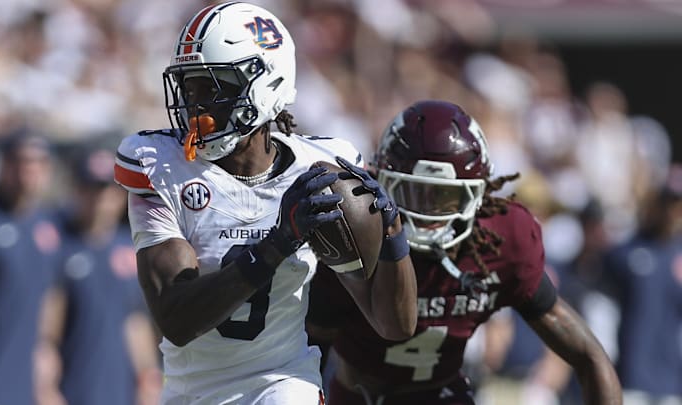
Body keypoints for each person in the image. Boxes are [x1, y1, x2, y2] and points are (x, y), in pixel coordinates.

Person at [113, 3, 417, 404]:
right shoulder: (160, 167)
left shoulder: (318, 172)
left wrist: (393, 238)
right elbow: (177, 319)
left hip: (282, 380)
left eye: (213, 87)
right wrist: (276, 244)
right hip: (191, 392)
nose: (195, 105)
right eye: (189, 87)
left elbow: (394, 325)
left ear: (265, 88)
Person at [306, 100, 622, 405]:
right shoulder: (354, 234)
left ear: (476, 195)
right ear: (384, 183)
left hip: (444, 395)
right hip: (361, 396)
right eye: (415, 193)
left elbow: (589, 356)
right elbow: (308, 352)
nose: (428, 215)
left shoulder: (501, 239)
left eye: (442, 197)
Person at [35, 145, 162, 405]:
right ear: (77, 190)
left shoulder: (127, 249)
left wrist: (147, 377)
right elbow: (46, 328)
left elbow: (134, 319)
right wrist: (45, 386)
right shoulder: (59, 244)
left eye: (105, 190)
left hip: (118, 389)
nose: (98, 199)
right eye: (90, 189)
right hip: (72, 388)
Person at [0, 131, 60, 405]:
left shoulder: (46, 224)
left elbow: (48, 294)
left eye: (39, 162)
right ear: (3, 165)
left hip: (25, 384)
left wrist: (46, 349)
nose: (29, 171)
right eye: (21, 161)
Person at [602, 164, 682, 404]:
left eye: (678, 204)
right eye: (669, 202)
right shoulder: (626, 253)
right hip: (630, 376)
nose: (674, 211)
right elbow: (602, 311)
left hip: (672, 380)